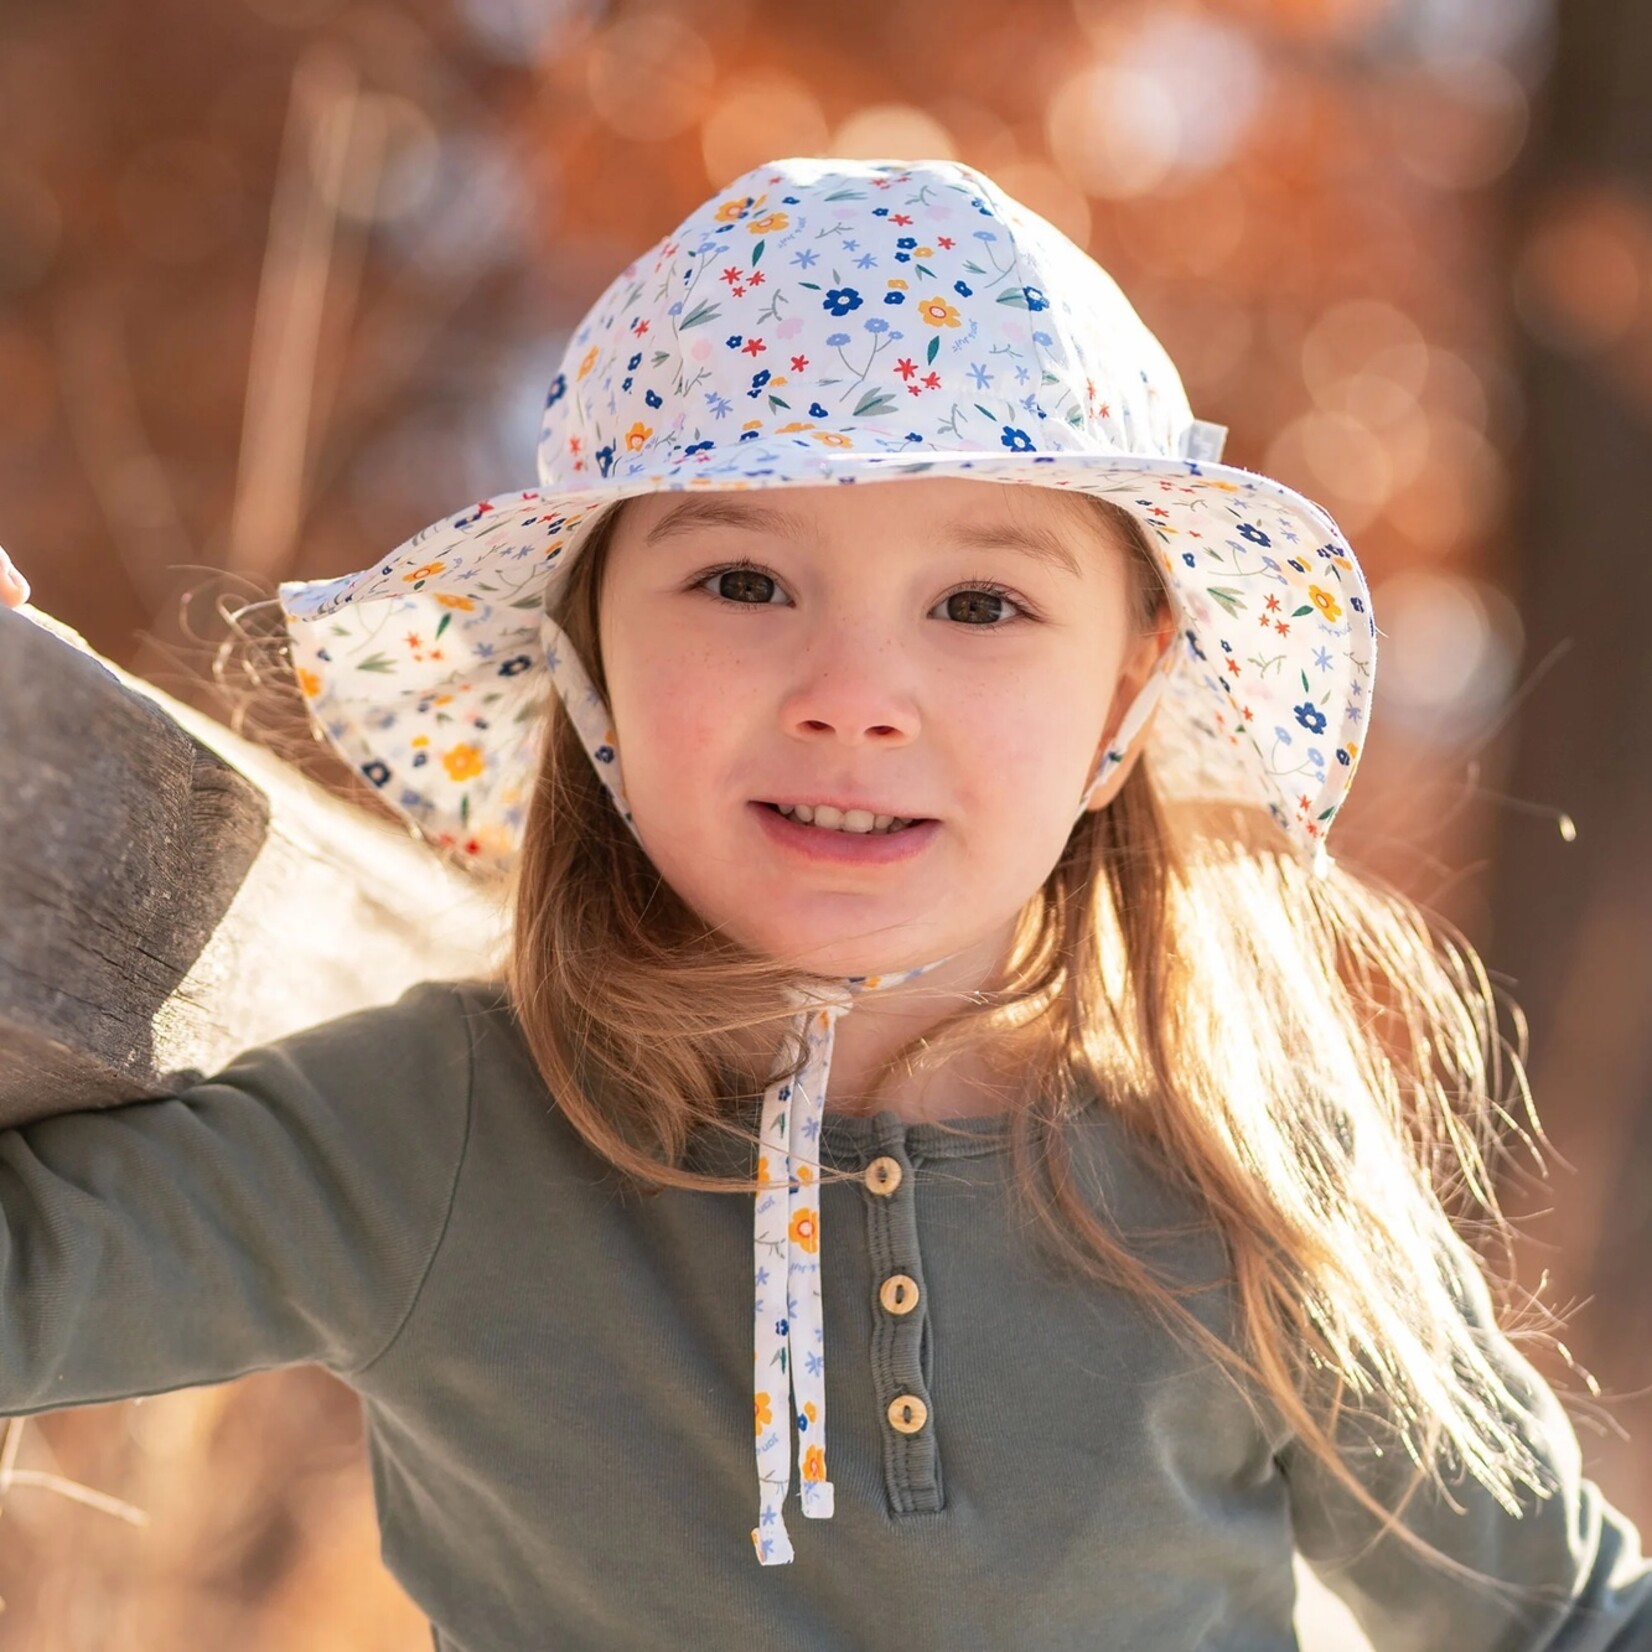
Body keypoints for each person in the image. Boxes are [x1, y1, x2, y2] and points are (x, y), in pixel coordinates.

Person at [1, 155, 1648, 1650]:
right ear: (588, 668)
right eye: (742, 580)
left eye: (981, 601)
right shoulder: (438, 1135)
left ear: (1127, 699)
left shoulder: (1239, 1184)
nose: (854, 694)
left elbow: (1562, 1617)